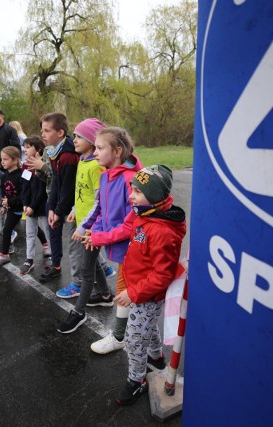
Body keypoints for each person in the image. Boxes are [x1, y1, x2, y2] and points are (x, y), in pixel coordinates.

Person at [112, 164, 186, 406]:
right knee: (148, 326)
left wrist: (133, 293)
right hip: (140, 291)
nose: (131, 195)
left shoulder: (162, 231)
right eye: (132, 189)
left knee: (134, 339)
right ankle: (156, 356)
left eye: (137, 192)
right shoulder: (144, 215)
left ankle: (137, 380)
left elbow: (162, 275)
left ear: (154, 197)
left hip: (145, 295)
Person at [81, 127, 143, 353]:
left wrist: (100, 236)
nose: (94, 152)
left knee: (126, 291)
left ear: (117, 151)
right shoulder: (105, 175)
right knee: (128, 290)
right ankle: (130, 333)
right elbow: (101, 211)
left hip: (133, 248)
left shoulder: (131, 180)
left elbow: (130, 225)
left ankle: (119, 337)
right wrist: (94, 232)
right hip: (118, 245)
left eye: (99, 148)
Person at [55, 118, 107, 333]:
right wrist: (75, 211)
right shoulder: (82, 160)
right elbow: (82, 193)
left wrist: (85, 225)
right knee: (92, 263)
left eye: (78, 136)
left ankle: (79, 312)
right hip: (82, 222)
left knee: (87, 271)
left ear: (92, 141)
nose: (73, 140)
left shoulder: (96, 166)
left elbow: (99, 200)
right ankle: (105, 295)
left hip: (91, 227)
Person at [38, 113, 83, 291]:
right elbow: (56, 181)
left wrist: (58, 211)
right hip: (61, 203)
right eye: (42, 130)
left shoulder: (68, 156)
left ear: (61, 132)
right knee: (54, 229)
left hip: (74, 206)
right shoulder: (53, 151)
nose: (42, 134)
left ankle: (83, 280)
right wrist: (51, 208)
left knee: (78, 245)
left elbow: (67, 188)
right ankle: (56, 266)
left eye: (47, 131)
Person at [19, 135, 52, 275]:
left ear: (38, 149)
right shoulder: (25, 165)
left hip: (41, 205)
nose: (25, 150)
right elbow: (25, 187)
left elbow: (41, 190)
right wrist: (25, 204)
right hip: (30, 206)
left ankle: (52, 256)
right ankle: (29, 259)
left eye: (28, 147)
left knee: (49, 231)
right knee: (30, 233)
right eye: (24, 147)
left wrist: (32, 205)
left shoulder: (42, 164)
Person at [0, 146, 24, 267]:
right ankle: (4, 255)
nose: (2, 162)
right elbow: (4, 191)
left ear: (15, 160)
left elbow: (23, 195)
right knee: (6, 231)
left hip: (24, 208)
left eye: (5, 159)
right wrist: (5, 205)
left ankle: (46, 245)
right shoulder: (5, 175)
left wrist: (10, 202)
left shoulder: (21, 175)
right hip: (12, 209)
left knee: (35, 229)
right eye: (1, 159)